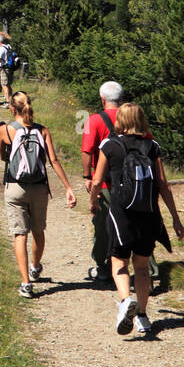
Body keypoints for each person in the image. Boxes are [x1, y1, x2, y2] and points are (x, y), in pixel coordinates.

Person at [89, 103, 184, 335]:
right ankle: (142, 315)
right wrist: (175, 218)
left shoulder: (109, 145)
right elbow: (163, 185)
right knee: (141, 266)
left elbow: (96, 180)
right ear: (141, 120)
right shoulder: (152, 146)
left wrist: (93, 201)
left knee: (119, 261)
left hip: (121, 212)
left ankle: (125, 301)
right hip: (148, 212)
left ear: (120, 120)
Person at [0, 91, 77, 298]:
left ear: (12, 109)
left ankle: (26, 283)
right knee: (38, 231)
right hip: (40, 188)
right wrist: (68, 187)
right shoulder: (43, 131)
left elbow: (2, 156)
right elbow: (54, 160)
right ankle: (35, 267)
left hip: (15, 187)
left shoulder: (5, 130)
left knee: (19, 234)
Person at [81, 80, 127, 287]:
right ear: (121, 99)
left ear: (102, 99)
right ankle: (148, 271)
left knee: (102, 227)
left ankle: (103, 267)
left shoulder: (94, 120)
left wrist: (87, 176)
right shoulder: (133, 118)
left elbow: (87, 150)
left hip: (107, 184)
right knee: (133, 226)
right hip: (132, 184)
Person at [0, 32, 14, 105]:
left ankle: (7, 102)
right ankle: (11, 99)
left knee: (4, 85)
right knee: (8, 85)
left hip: (4, 68)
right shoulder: (9, 46)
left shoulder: (1, 49)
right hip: (10, 67)